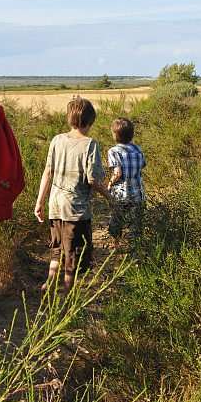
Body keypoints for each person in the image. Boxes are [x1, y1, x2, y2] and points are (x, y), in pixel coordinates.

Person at [34, 97, 113, 292]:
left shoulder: (57, 139)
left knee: (57, 251)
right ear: (90, 121)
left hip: (55, 206)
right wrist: (109, 197)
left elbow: (47, 172)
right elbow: (93, 180)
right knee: (74, 258)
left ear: (70, 119)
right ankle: (69, 299)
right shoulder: (90, 144)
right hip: (75, 210)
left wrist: (40, 202)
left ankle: (50, 283)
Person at [107, 117, 146, 250]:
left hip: (121, 195)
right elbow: (142, 167)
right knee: (135, 225)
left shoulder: (113, 151)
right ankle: (135, 252)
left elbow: (117, 173)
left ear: (115, 135)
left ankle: (115, 247)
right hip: (137, 193)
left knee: (117, 221)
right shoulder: (138, 149)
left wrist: (109, 185)